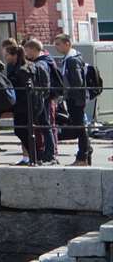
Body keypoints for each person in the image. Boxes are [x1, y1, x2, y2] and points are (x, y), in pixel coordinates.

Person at [52, 35, 94, 166]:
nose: (56, 47)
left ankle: (83, 156)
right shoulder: (73, 57)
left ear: (67, 43)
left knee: (79, 127)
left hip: (76, 99)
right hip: (76, 98)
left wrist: (68, 93)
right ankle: (86, 152)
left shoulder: (71, 60)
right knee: (79, 127)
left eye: (58, 44)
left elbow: (77, 82)